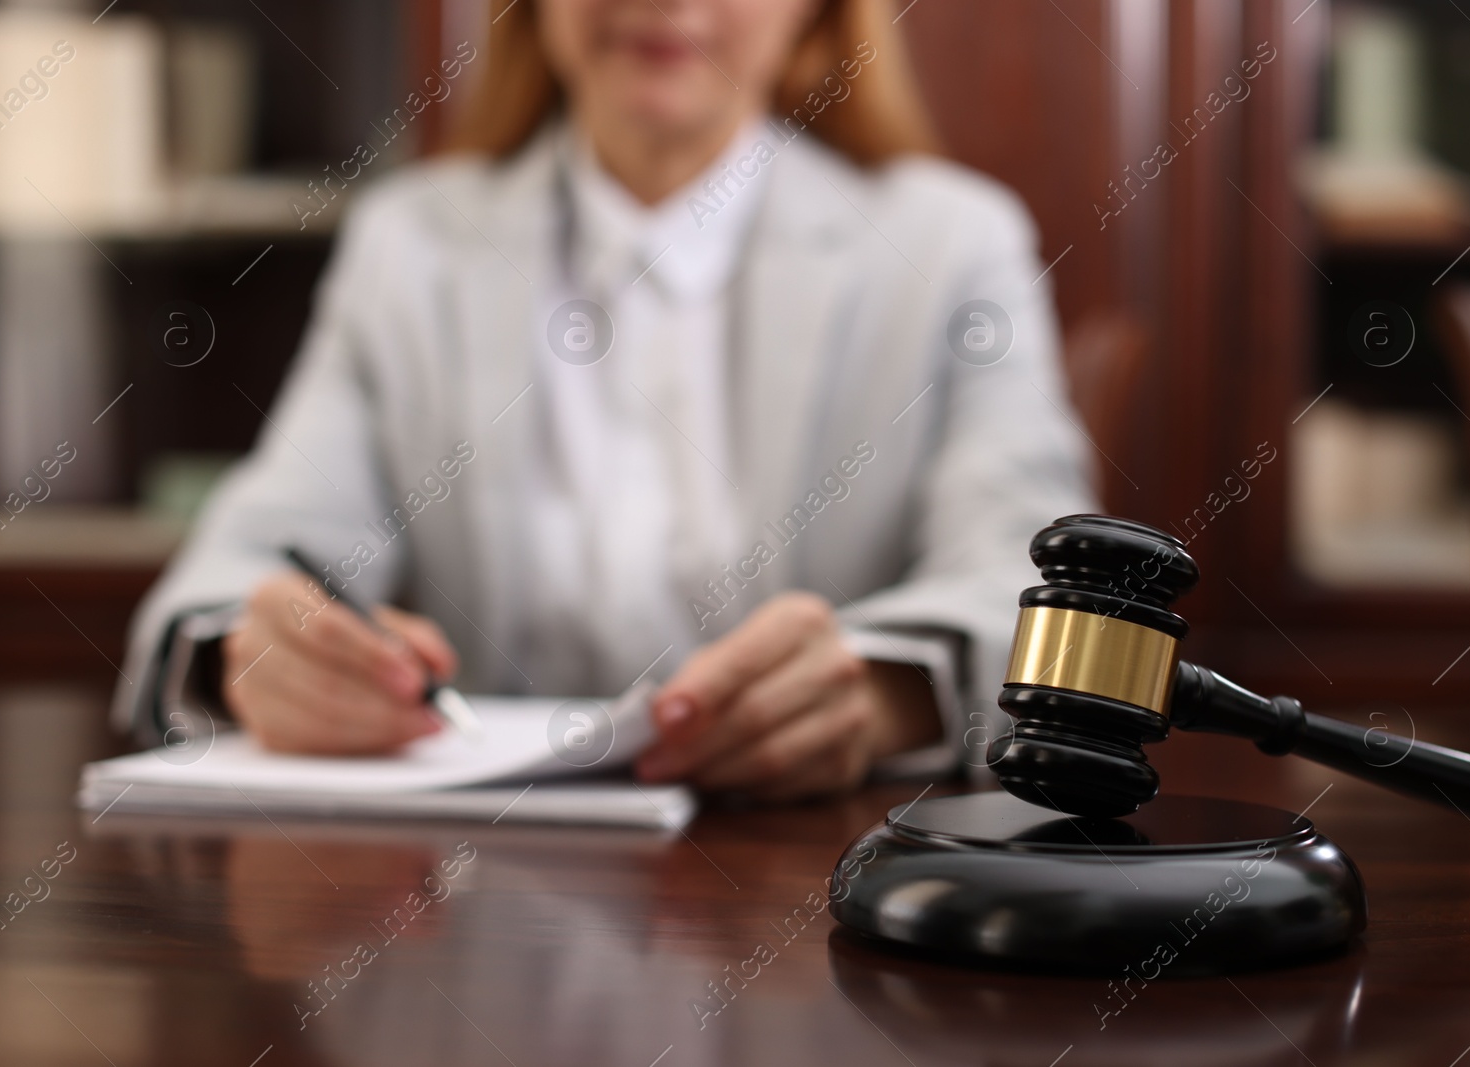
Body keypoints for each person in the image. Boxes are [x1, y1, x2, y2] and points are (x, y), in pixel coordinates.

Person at [116, 0, 1093, 800]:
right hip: (479, 893)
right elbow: (255, 551)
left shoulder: (951, 243)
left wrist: (881, 694)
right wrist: (254, 656)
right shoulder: (407, 245)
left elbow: (1036, 577)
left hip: (812, 890)